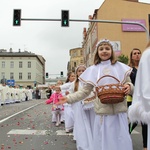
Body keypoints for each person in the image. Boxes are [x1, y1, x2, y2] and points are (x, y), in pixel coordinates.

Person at [57, 39, 133, 150]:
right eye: (101, 49)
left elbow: (129, 83)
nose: (104, 51)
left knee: (121, 139)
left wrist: (129, 87)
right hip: (103, 113)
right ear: (97, 52)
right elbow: (85, 91)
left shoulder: (120, 67)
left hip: (119, 112)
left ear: (112, 51)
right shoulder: (93, 70)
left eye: (107, 48)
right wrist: (68, 98)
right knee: (104, 141)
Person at [128, 41, 150, 150]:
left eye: (138, 53)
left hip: (145, 96)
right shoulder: (130, 70)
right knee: (134, 121)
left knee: (145, 122)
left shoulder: (144, 64)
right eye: (134, 53)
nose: (137, 55)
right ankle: (126, 134)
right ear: (131, 57)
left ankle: (145, 145)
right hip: (133, 98)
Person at [68, 64, 96, 150]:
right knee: (81, 124)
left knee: (92, 122)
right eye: (79, 71)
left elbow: (95, 91)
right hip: (78, 106)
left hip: (91, 105)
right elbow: (71, 93)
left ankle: (94, 141)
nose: (81, 72)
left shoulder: (91, 81)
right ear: (77, 73)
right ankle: (84, 144)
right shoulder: (74, 83)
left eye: (83, 70)